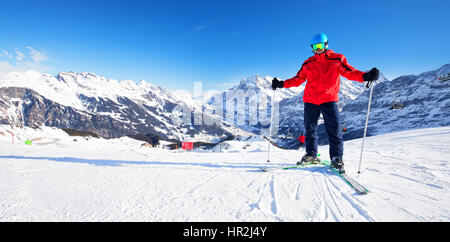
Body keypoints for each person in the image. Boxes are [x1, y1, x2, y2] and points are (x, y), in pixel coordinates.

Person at [271, 33, 379, 173]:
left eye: (320, 46)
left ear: (326, 45)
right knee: (310, 130)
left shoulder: (337, 59)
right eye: (314, 47)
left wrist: (365, 76)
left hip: (329, 99)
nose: (318, 49)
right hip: (310, 100)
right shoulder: (308, 63)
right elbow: (297, 79)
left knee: (334, 130)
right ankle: (311, 155)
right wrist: (281, 84)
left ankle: (336, 158)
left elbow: (350, 72)